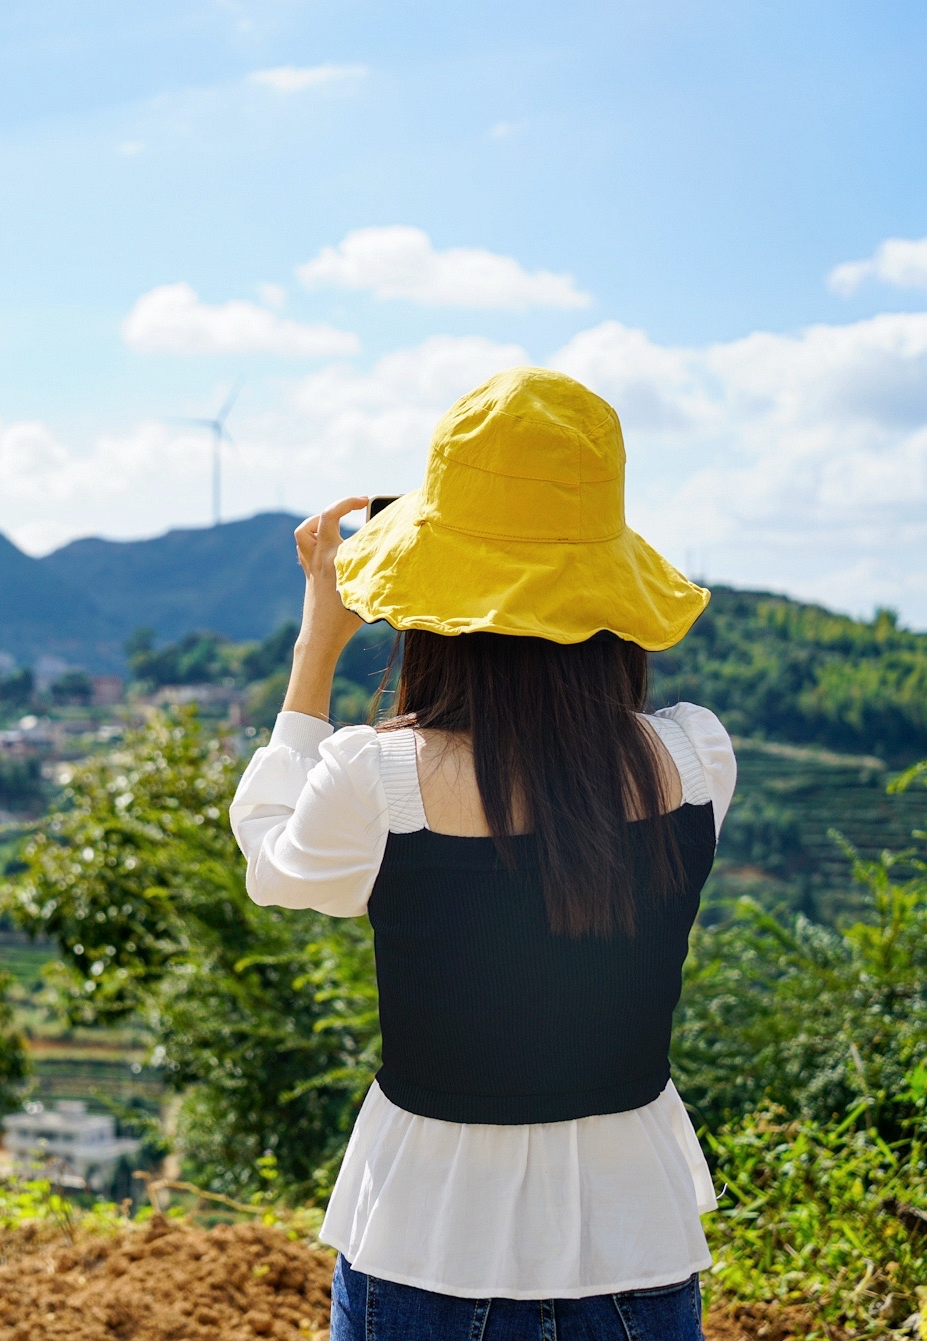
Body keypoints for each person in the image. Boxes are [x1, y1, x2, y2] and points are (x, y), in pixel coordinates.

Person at [230, 367, 732, 1340]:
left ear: (428, 599)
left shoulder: (377, 782)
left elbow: (272, 863)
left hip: (427, 1241)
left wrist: (314, 649)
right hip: (637, 1242)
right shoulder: (696, 758)